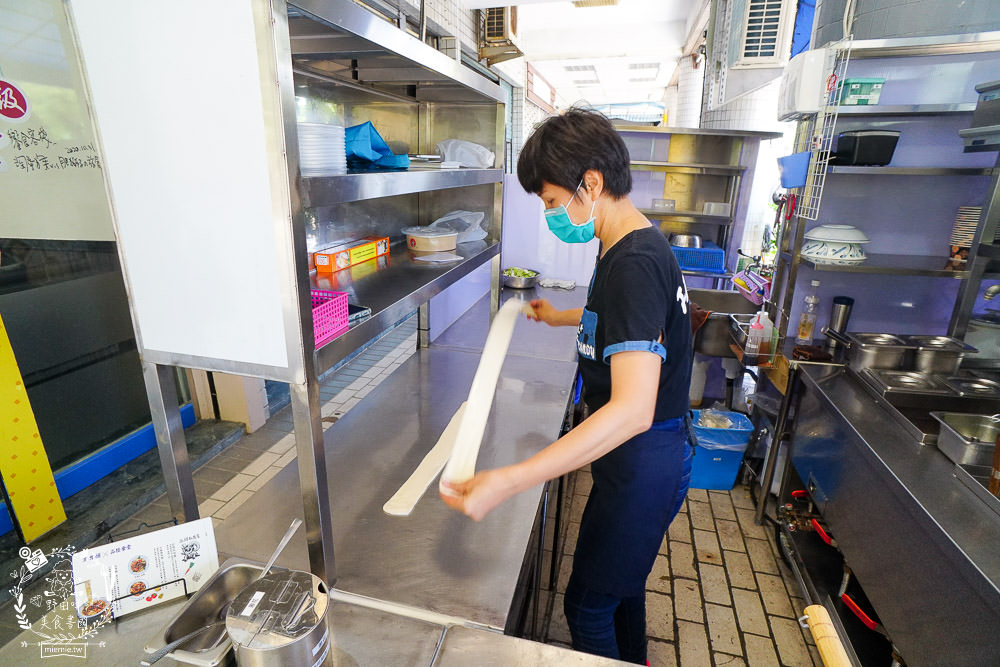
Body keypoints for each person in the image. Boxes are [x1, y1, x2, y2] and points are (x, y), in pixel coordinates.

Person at [440, 108, 693, 664]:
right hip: (636, 461)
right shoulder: (629, 242)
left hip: (644, 461)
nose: (553, 215)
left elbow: (632, 410)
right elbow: (624, 322)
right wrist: (560, 317)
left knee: (587, 607)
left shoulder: (634, 264)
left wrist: (511, 479)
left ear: (592, 184)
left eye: (553, 202)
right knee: (617, 591)